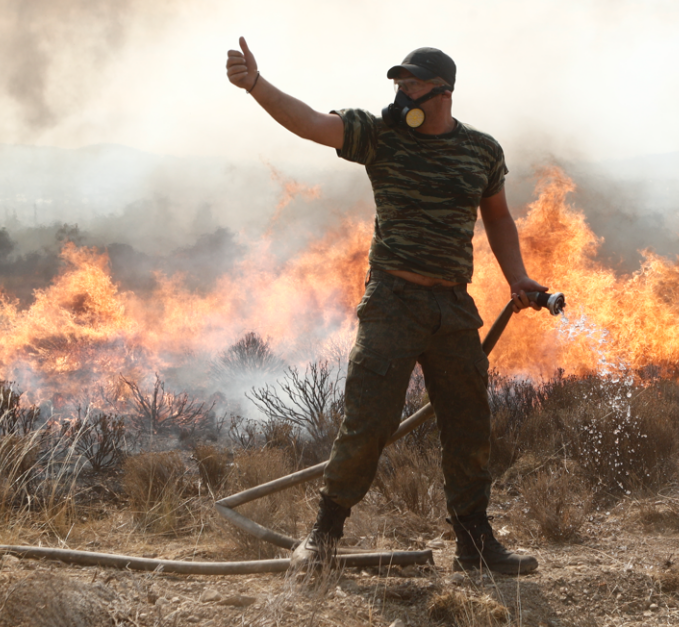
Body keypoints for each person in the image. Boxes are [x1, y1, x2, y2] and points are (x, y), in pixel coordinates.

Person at [225, 37, 546, 575]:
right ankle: (323, 536)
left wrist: (518, 277)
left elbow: (498, 218)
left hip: (453, 308)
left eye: (414, 84)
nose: (403, 93)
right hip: (393, 302)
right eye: (399, 84)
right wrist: (256, 84)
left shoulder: (482, 151)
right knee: (367, 422)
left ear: (443, 92)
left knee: (469, 425)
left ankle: (474, 543)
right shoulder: (380, 136)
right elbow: (310, 122)